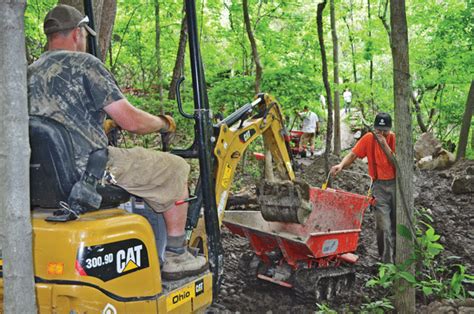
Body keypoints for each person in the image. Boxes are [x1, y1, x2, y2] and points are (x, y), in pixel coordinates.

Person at [27, 4, 207, 280]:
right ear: (77, 34)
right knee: (175, 167)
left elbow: (54, 125)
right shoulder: (85, 64)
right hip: (88, 171)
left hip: (43, 178)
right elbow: (132, 121)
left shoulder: (28, 73)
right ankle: (175, 254)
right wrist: (162, 123)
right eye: (85, 36)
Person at [330, 112, 396, 263]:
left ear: (390, 129)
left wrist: (384, 144)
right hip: (379, 186)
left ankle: (399, 259)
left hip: (397, 185)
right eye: (379, 130)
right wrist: (341, 165)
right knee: (383, 226)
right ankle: (386, 263)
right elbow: (353, 155)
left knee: (396, 226)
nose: (382, 133)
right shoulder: (368, 139)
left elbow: (396, 163)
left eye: (385, 130)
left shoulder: (394, 139)